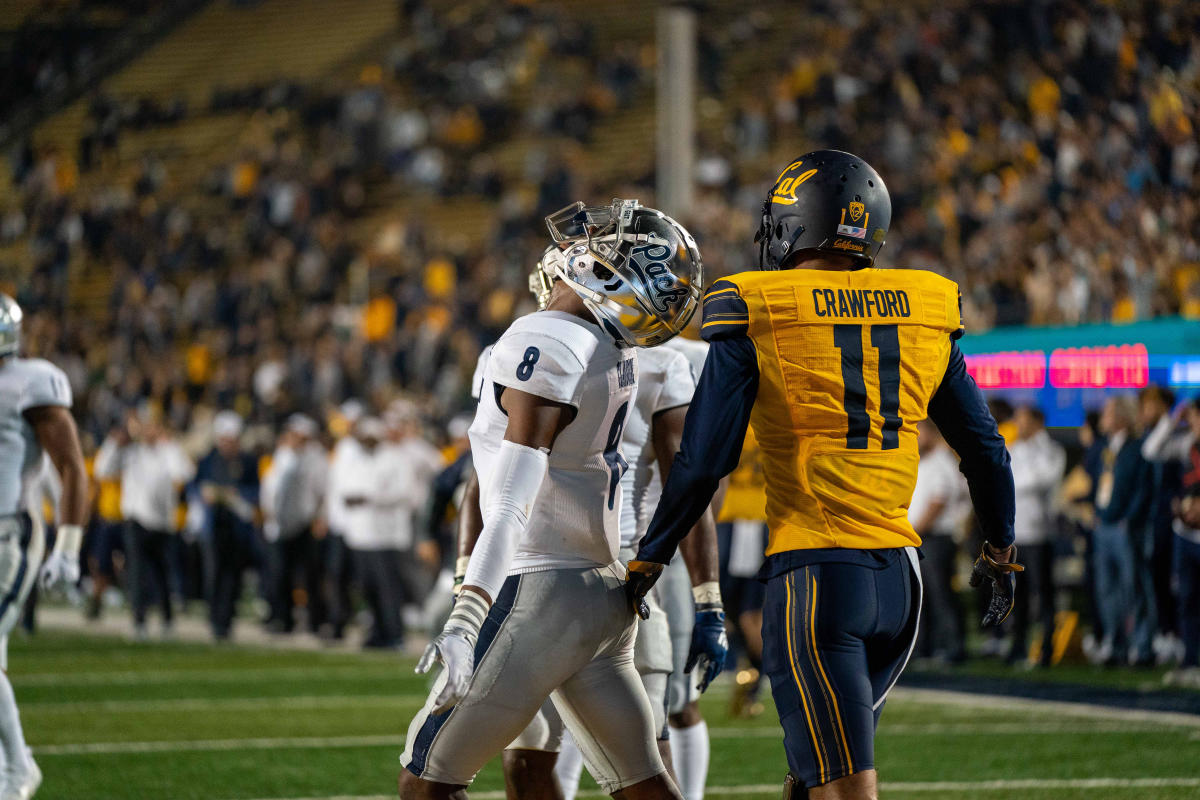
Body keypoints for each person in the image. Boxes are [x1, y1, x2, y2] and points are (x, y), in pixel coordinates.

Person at [627, 151, 1020, 800]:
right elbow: (985, 451)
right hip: (902, 581)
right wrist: (1001, 550)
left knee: (843, 788)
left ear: (795, 224)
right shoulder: (922, 304)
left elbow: (704, 460)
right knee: (811, 779)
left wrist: (650, 558)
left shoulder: (758, 304)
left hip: (817, 574)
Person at [398, 199, 701, 800]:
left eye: (604, 243)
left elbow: (509, 503)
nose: (581, 242)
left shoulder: (545, 337)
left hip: (539, 589)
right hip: (600, 590)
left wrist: (465, 617)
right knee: (643, 785)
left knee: (425, 781)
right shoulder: (609, 347)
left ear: (611, 273)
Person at [0, 293, 89, 799]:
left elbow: (72, 465)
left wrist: (69, 547)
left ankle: (18, 769)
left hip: (10, 532)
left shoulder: (29, 381)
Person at [94, 409, 194, 639]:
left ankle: (167, 620)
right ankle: (139, 621)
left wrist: (168, 443)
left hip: (162, 524)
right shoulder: (131, 452)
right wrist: (115, 441)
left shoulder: (166, 452)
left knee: (162, 574)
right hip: (135, 521)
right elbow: (103, 469)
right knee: (136, 573)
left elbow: (184, 472)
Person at [1090, 395, 1153, 666]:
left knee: (1133, 587)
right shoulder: (1104, 447)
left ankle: (1141, 646)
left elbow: (1143, 487)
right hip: (1103, 524)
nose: (1103, 417)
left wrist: (1130, 518)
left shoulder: (1138, 447)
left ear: (1122, 417)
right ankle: (1115, 645)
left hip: (1124, 526)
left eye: (1108, 411)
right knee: (1107, 589)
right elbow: (1095, 481)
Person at [1142, 396, 1200, 682]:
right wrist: (1171, 420)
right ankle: (1190, 661)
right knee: (1187, 598)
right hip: (1186, 533)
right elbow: (1151, 450)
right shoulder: (1186, 443)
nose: (1194, 423)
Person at [194, 410, 259, 641]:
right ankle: (215, 619)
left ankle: (227, 619)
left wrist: (237, 495)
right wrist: (204, 494)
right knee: (214, 573)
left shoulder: (247, 462)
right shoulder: (208, 460)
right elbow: (194, 488)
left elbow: (255, 492)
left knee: (233, 576)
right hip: (214, 525)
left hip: (237, 528)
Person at [1008, 406, 1066, 666]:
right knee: (1016, 597)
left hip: (1040, 534)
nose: (1018, 424)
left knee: (1043, 596)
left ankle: (1046, 650)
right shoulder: (1015, 449)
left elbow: (1039, 480)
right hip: (1016, 534)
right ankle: (1018, 647)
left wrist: (1016, 482)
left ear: (1036, 421)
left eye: (1023, 419)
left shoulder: (1051, 450)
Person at [260, 413, 328, 635]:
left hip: (304, 523)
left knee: (309, 574)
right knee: (279, 573)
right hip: (279, 524)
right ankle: (281, 618)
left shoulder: (315, 457)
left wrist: (320, 517)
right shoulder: (283, 455)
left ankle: (315, 620)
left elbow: (321, 491)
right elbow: (271, 489)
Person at [909, 420, 969, 664]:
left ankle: (954, 648)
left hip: (936, 538)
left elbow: (938, 501)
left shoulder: (943, 461)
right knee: (923, 596)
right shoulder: (924, 462)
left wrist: (914, 530)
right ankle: (925, 647)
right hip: (921, 537)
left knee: (942, 593)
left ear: (932, 432)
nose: (915, 437)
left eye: (919, 432)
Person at [1139, 385, 1183, 663]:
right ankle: (1167, 632)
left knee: (1175, 579)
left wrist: (1172, 419)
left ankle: (1177, 635)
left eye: (1149, 405)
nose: (1144, 411)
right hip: (1157, 519)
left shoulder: (1179, 435)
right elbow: (1150, 449)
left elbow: (1152, 451)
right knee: (1157, 575)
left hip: (1176, 519)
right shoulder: (1158, 434)